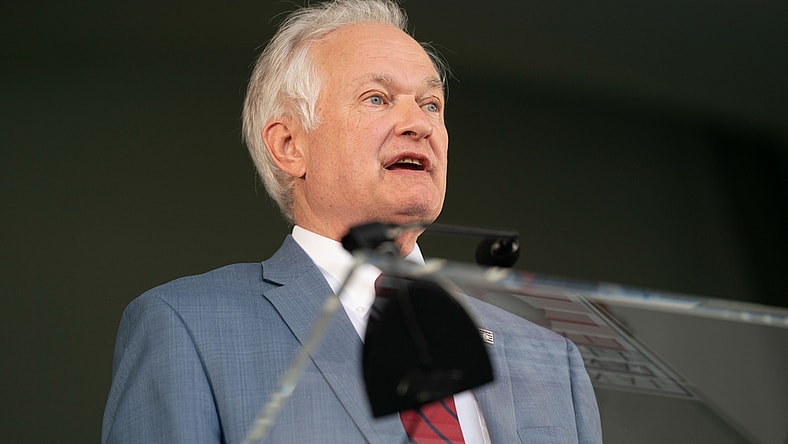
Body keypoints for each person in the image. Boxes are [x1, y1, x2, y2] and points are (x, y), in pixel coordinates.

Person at [101, 0, 602, 443]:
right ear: (289, 146)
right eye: (376, 98)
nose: (420, 124)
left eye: (431, 104)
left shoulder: (548, 359)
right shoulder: (188, 327)